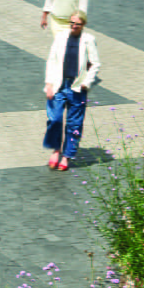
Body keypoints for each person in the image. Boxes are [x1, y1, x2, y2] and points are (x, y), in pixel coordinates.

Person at [42, 11, 100, 172]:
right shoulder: (61, 37)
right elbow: (52, 60)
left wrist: (87, 82)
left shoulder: (89, 40)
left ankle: (67, 156)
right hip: (59, 85)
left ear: (83, 25)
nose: (74, 26)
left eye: (77, 24)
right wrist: (48, 84)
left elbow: (95, 64)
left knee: (74, 123)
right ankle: (56, 150)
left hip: (77, 87)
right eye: (72, 23)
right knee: (54, 119)